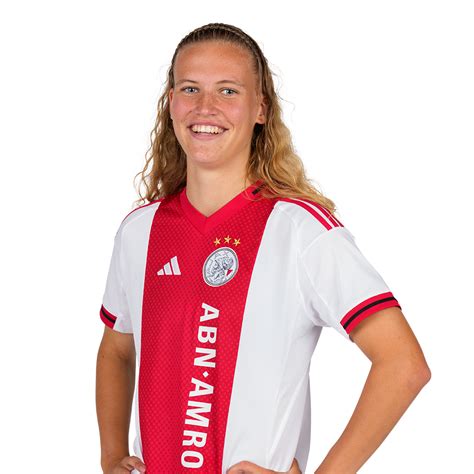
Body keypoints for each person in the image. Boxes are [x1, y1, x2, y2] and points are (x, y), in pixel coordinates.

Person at [96, 22, 431, 474]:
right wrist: (111, 455)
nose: (206, 107)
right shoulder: (139, 231)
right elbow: (117, 349)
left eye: (228, 91)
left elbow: (403, 364)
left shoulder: (300, 231)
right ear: (171, 102)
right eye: (190, 88)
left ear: (260, 108)